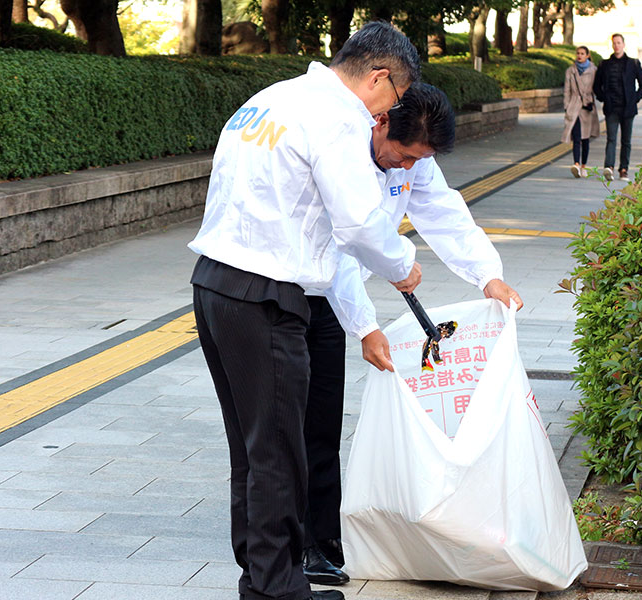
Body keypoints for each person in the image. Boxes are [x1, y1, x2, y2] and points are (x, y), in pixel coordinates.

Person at [188, 21, 422, 600]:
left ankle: (265, 578)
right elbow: (360, 221)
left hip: (214, 283)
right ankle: (276, 590)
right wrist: (402, 264)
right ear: (379, 77)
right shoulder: (338, 118)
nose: (384, 114)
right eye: (393, 98)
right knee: (278, 454)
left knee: (252, 448)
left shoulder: (273, 98)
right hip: (265, 294)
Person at [300, 82, 524, 584]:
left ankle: (321, 538)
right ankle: (290, 543)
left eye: (415, 162)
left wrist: (487, 274)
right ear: (380, 124)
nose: (405, 168)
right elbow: (339, 246)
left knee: (322, 420)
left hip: (336, 298)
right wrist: (365, 327)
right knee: (287, 422)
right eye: (401, 157)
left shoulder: (413, 158)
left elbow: (443, 213)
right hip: (292, 287)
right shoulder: (344, 150)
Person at [593, 33, 642, 182]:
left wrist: (635, 98)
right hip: (612, 108)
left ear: (623, 45)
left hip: (628, 108)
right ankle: (608, 167)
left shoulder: (633, 63)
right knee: (611, 138)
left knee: (626, 141)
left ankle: (624, 169)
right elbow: (597, 86)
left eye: (619, 43)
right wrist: (603, 98)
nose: (616, 45)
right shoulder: (605, 64)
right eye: (614, 43)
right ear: (612, 45)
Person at [561, 45, 600, 179]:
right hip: (574, 105)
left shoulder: (594, 70)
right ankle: (576, 164)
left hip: (587, 106)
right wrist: (566, 106)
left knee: (585, 139)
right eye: (578, 53)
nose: (579, 55)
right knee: (576, 136)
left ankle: (584, 166)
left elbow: (597, 88)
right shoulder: (570, 71)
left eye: (582, 53)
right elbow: (567, 90)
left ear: (587, 55)